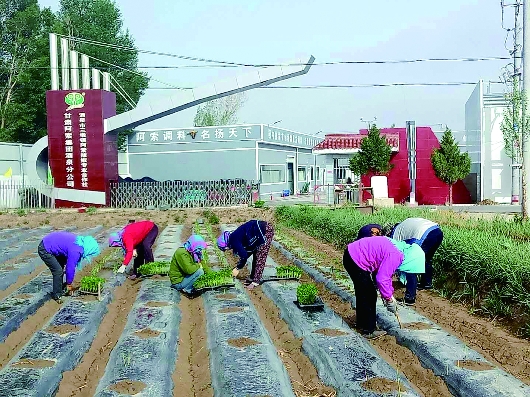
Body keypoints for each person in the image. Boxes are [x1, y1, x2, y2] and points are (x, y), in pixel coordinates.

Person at [343, 236, 425, 339]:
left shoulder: (398, 248)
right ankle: (369, 330)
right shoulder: (396, 256)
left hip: (352, 254)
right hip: (355, 259)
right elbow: (382, 279)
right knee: (369, 294)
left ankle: (362, 324)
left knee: (363, 292)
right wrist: (388, 298)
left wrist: (389, 294)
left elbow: (386, 275)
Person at [389, 218, 443, 305]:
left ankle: (410, 297)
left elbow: (398, 253)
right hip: (437, 232)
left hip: (425, 234)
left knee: (411, 262)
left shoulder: (394, 235)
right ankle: (426, 283)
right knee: (426, 258)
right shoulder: (403, 226)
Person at [38, 231, 100, 304]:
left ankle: (61, 288)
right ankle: (57, 295)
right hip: (45, 248)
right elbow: (70, 268)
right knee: (58, 271)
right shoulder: (76, 251)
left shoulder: (80, 243)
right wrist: (69, 284)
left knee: (61, 267)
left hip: (54, 244)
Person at [217, 219, 274, 290]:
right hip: (256, 231)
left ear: (226, 245)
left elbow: (244, 256)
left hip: (265, 230)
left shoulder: (234, 240)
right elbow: (248, 252)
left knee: (260, 257)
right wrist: (238, 266)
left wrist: (238, 268)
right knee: (255, 254)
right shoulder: (233, 237)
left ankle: (255, 281)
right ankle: (252, 277)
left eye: (225, 249)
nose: (227, 250)